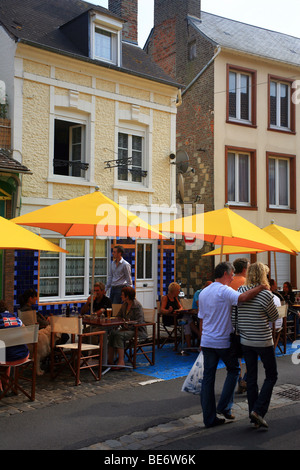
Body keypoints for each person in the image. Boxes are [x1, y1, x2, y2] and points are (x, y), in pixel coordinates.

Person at [198, 261, 268, 428]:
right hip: (222, 340)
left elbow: (201, 319)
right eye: (231, 274)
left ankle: (209, 418)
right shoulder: (224, 290)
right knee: (234, 370)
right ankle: (223, 406)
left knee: (208, 379)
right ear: (225, 274)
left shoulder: (203, 292)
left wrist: (201, 340)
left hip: (207, 340)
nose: (232, 278)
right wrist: (260, 287)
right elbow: (242, 298)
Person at [235, 262, 279, 429]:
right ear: (263, 275)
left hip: (246, 340)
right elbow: (274, 317)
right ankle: (258, 411)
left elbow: (234, 317)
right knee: (271, 375)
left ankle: (253, 416)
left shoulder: (239, 291)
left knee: (251, 378)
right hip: (263, 340)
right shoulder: (266, 294)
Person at [107, 286, 146, 369]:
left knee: (119, 335)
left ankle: (121, 361)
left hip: (137, 330)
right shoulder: (124, 304)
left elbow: (139, 321)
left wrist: (128, 324)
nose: (121, 296)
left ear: (127, 296)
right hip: (126, 329)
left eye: (122, 295)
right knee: (112, 334)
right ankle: (110, 360)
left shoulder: (137, 306)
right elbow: (119, 316)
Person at [0, 300, 30, 393]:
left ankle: (1, 388)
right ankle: (7, 386)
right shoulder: (16, 319)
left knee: (4, 356)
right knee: (5, 354)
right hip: (23, 356)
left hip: (7, 358)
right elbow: (26, 334)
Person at [161, 282, 197, 348]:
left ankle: (189, 345)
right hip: (169, 318)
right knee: (188, 319)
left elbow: (181, 307)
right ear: (174, 291)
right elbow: (162, 310)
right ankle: (198, 335)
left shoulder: (175, 298)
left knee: (187, 322)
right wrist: (168, 311)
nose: (179, 292)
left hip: (176, 317)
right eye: (178, 290)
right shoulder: (165, 298)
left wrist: (178, 310)